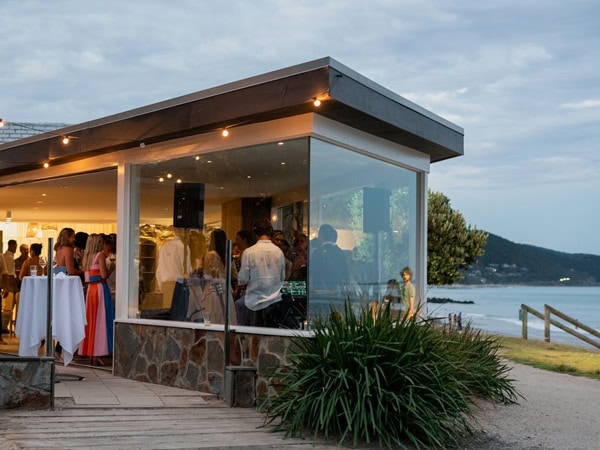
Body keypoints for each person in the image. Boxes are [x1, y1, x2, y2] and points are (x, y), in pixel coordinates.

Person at [237, 219, 286, 327]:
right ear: (270, 232)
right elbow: (282, 278)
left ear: (255, 234)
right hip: (274, 301)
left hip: (254, 303)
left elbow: (243, 279)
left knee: (255, 339)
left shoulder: (249, 252)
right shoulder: (279, 252)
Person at [79, 234, 115, 365]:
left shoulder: (86, 257)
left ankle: (91, 351)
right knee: (101, 320)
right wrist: (112, 268)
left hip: (90, 290)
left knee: (91, 320)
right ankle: (99, 352)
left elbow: (87, 276)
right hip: (100, 288)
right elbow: (104, 275)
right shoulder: (100, 255)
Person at [202, 229, 237, 325]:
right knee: (226, 314)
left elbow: (206, 275)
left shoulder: (209, 255)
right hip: (226, 287)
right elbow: (234, 275)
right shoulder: (228, 256)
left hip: (212, 287)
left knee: (212, 313)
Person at [155, 228, 191, 308]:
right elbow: (187, 271)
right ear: (185, 231)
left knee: (167, 314)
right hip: (178, 287)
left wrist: (161, 287)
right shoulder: (184, 247)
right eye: (189, 231)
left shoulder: (164, 246)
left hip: (165, 286)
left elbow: (159, 271)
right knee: (178, 315)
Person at [233, 229, 256, 325]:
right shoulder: (245, 253)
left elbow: (243, 276)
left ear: (244, 239)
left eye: (238, 239)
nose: (236, 242)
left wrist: (237, 289)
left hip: (246, 292)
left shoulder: (246, 253)